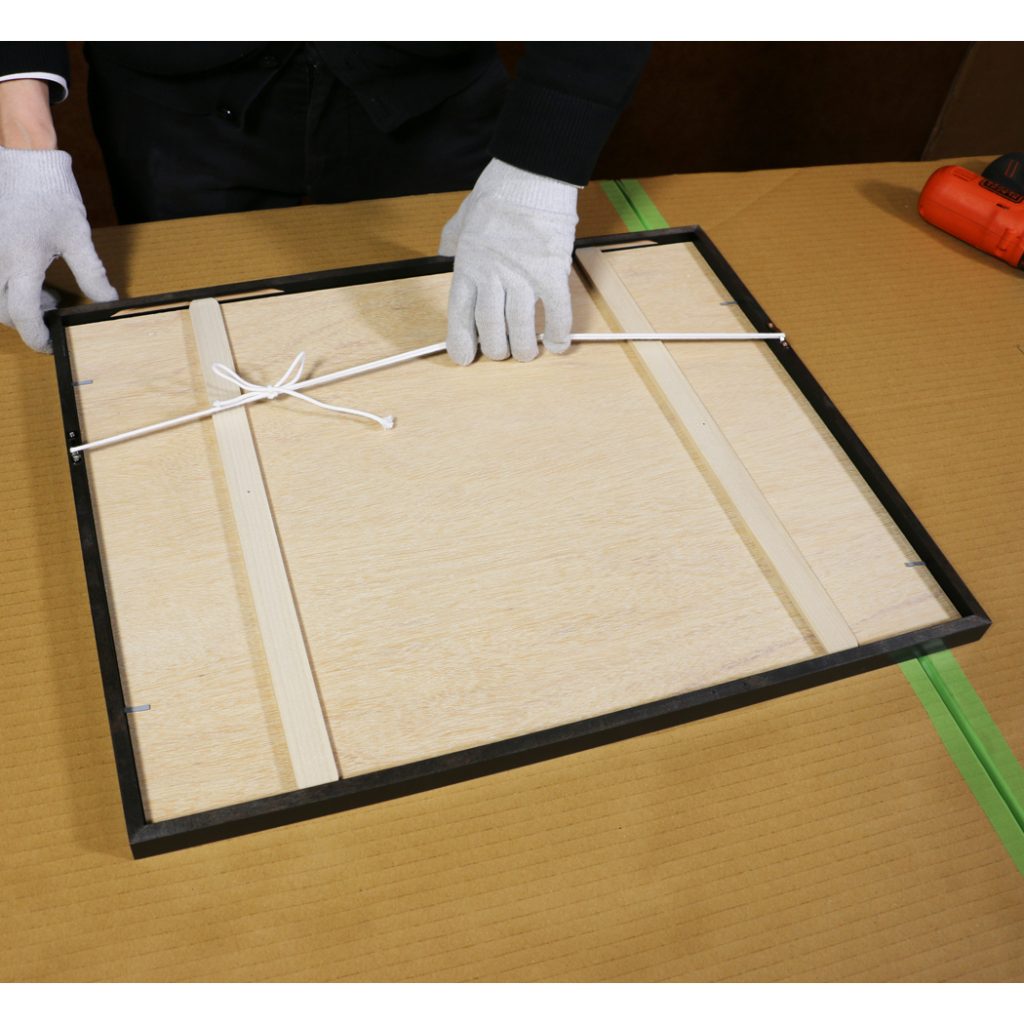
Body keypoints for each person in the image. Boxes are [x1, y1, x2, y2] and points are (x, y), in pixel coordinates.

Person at [0, 42, 650, 362]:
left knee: (471, 350)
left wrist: (538, 169)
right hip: (177, 97)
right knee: (190, 359)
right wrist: (21, 136)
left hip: (429, 79)